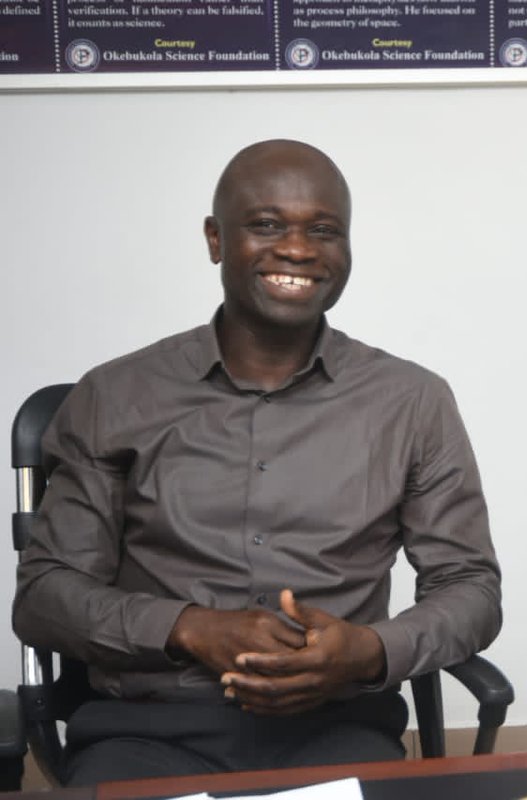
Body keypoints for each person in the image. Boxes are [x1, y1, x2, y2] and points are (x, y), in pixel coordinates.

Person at [12, 139, 501, 784]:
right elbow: (45, 598)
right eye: (267, 225)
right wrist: (188, 627)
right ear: (216, 240)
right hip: (147, 729)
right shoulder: (114, 396)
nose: (298, 250)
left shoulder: (411, 402)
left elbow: (471, 589)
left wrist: (368, 650)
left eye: (324, 230)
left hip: (337, 729)